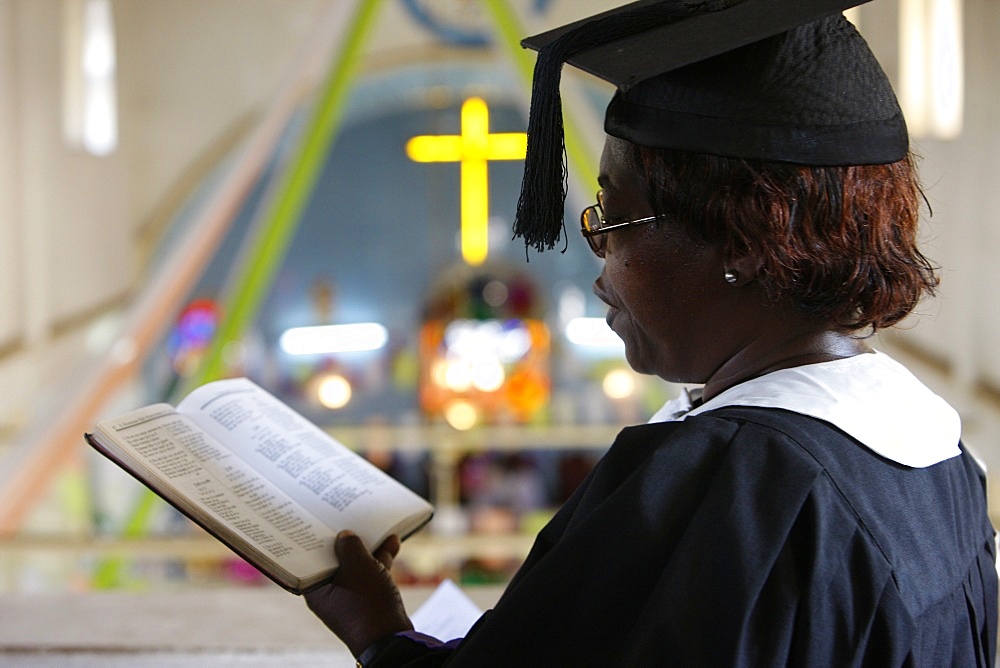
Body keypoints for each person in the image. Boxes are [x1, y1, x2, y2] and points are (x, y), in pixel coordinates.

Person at [304, 0, 999, 665]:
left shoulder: (724, 486)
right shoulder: (936, 456)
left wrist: (382, 634)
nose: (598, 250)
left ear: (744, 241)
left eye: (615, 215)